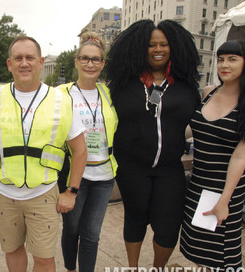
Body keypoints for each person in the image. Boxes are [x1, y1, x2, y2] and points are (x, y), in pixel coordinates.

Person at [0, 35, 87, 272]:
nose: (24, 63)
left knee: (44, 259)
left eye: (30, 58)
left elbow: (80, 151)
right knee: (13, 250)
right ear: (9, 64)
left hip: (43, 192)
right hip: (3, 191)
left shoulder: (61, 100)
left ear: (41, 63)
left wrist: (71, 191)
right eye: (18, 58)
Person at [105, 19, 200, 268]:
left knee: (168, 226)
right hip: (132, 168)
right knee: (135, 219)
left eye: (164, 44)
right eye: (151, 45)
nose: (158, 49)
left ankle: (158, 268)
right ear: (139, 48)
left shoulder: (186, 87)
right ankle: (133, 267)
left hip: (170, 169)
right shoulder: (123, 86)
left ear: (174, 47)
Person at [180, 40, 245, 270]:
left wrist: (224, 201)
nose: (224, 65)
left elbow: (240, 157)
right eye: (221, 59)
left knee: (221, 257)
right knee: (197, 250)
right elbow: (193, 129)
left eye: (232, 59)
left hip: (225, 190)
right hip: (198, 184)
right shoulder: (208, 93)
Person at [57, 32, 118, 272]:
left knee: (92, 234)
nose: (90, 64)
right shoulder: (61, 94)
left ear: (102, 64)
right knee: (72, 230)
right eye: (85, 58)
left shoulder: (109, 94)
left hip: (104, 176)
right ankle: (70, 268)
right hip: (73, 175)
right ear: (76, 61)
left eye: (96, 60)